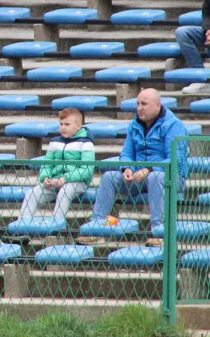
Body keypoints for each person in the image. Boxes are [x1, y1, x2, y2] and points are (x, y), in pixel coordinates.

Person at [77, 88, 189, 247]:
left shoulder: (174, 126)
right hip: (139, 177)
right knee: (109, 177)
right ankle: (96, 229)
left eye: (144, 104)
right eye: (138, 104)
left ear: (158, 105)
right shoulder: (134, 125)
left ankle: (160, 232)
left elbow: (175, 159)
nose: (140, 108)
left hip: (170, 177)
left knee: (155, 177)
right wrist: (127, 168)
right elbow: (127, 153)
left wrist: (149, 169)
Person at [19, 108, 95, 221]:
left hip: (77, 182)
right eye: (61, 124)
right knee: (32, 193)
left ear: (78, 126)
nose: (63, 127)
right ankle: (22, 225)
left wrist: (66, 178)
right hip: (55, 181)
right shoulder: (55, 142)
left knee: (65, 191)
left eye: (67, 124)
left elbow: (87, 170)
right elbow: (47, 164)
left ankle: (56, 224)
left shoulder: (86, 144)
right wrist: (45, 177)